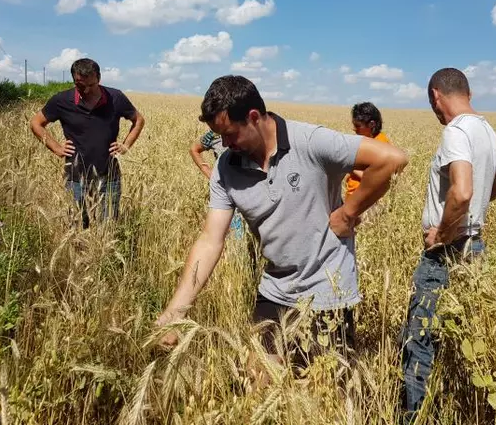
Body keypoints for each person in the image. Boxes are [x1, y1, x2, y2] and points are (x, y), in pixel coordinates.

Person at [156, 75, 409, 364]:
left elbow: (392, 159)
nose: (224, 144)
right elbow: (210, 240)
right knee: (256, 381)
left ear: (253, 117)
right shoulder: (226, 167)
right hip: (275, 288)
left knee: (323, 394)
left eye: (230, 134)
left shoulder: (310, 141)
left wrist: (349, 212)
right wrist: (176, 312)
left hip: (328, 292)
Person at [400, 68, 496, 422]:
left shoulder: (456, 131)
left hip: (446, 252)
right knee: (460, 335)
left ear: (436, 96)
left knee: (420, 337)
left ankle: (415, 416)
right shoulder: (486, 130)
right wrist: (472, 212)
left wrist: (443, 232)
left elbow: (461, 191)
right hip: (475, 249)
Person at [29, 58, 145, 228]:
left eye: (91, 85)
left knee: (108, 226)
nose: (87, 90)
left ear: (98, 78)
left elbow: (139, 120)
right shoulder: (61, 100)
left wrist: (126, 145)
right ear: (74, 81)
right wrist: (56, 148)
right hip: (76, 177)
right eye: (81, 86)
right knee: (77, 227)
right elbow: (36, 123)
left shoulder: (116, 98)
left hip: (109, 175)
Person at [189, 130, 243, 238]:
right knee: (235, 236)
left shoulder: (249, 129)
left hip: (252, 191)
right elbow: (194, 149)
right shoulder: (215, 134)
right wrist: (211, 174)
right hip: (228, 194)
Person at [346, 102, 390, 199]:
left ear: (371, 124)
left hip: (363, 203)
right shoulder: (366, 141)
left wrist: (348, 166)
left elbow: (375, 179)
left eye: (358, 126)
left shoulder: (380, 145)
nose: (354, 129)